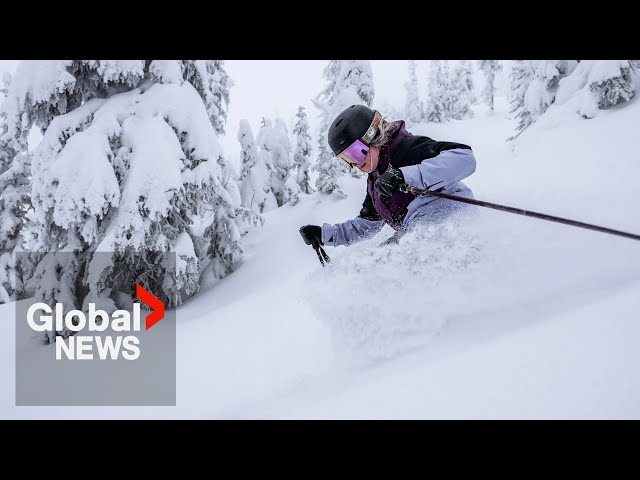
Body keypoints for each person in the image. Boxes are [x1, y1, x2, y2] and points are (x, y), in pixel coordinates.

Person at [299, 104, 477, 249]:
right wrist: (325, 235)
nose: (354, 164)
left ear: (373, 136)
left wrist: (404, 175)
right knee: (376, 264)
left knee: (384, 262)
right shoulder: (376, 182)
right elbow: (366, 225)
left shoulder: (406, 148)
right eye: (346, 159)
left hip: (452, 221)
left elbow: (464, 158)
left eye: (355, 153)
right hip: (419, 234)